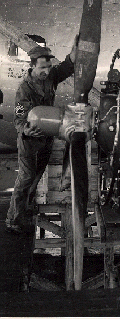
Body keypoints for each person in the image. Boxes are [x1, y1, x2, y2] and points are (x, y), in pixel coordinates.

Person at [6, 37, 78, 234]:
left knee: (37, 175)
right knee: (26, 177)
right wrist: (25, 130)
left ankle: (26, 209)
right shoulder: (24, 89)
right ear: (33, 67)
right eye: (43, 68)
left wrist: (75, 50)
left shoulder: (51, 77)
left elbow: (66, 67)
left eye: (48, 67)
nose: (46, 71)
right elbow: (19, 118)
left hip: (46, 139)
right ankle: (13, 219)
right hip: (29, 141)